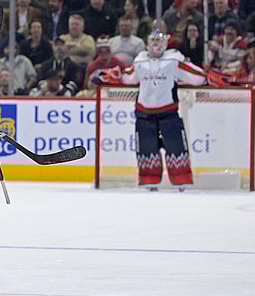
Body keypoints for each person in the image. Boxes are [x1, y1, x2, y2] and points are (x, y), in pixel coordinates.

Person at [93, 31, 220, 189]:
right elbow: (128, 76)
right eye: (152, 41)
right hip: (144, 112)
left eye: (159, 41)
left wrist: (206, 77)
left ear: (166, 44)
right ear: (147, 44)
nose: (156, 45)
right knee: (147, 148)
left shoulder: (173, 59)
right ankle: (148, 180)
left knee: (176, 146)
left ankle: (181, 180)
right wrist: (110, 76)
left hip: (168, 111)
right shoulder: (140, 60)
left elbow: (195, 76)